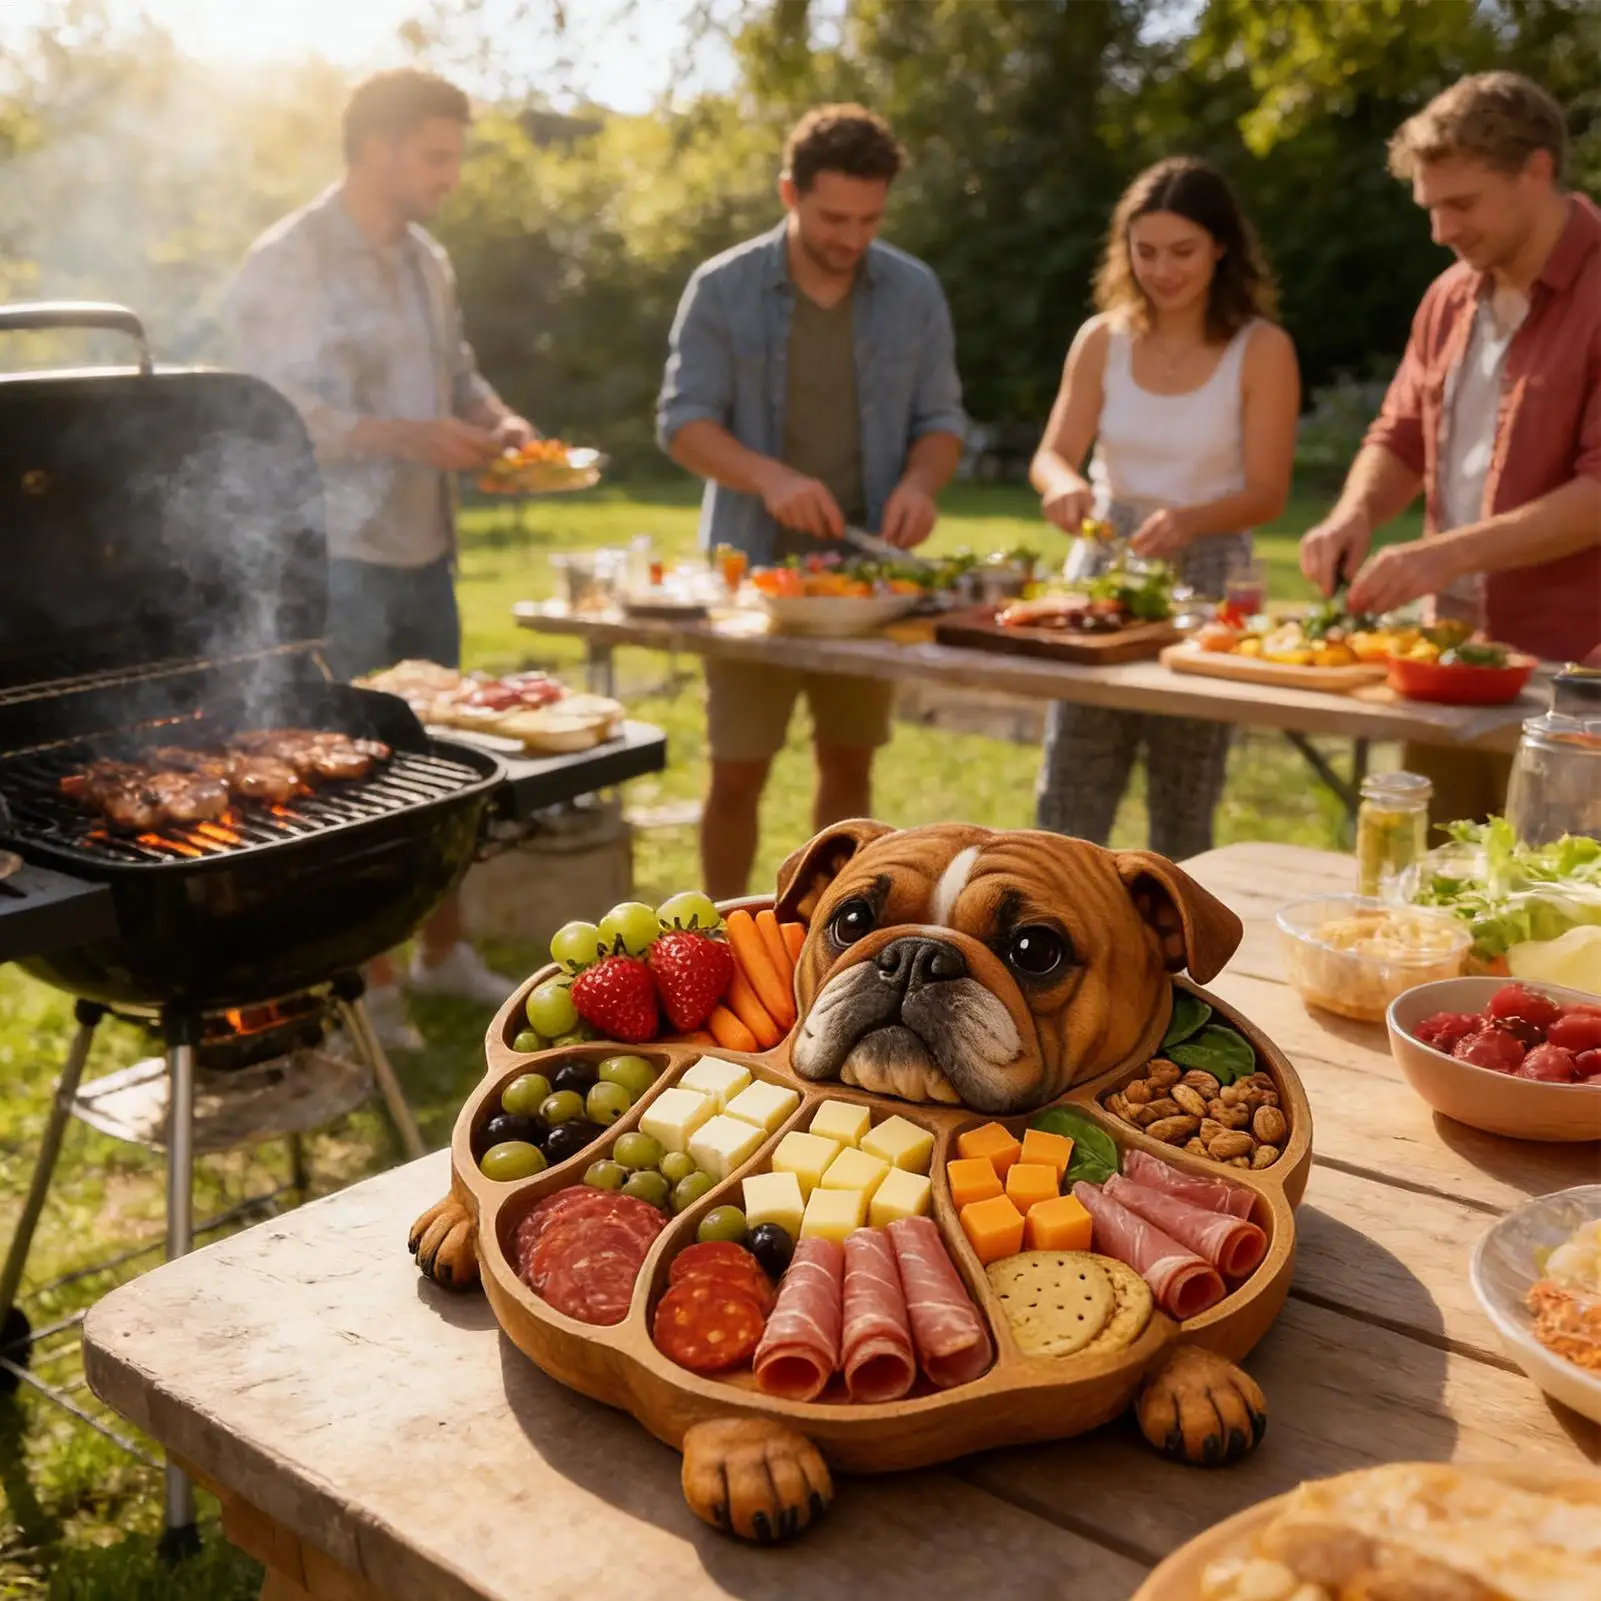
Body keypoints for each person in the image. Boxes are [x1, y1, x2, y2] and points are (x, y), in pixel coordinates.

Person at [226, 69, 536, 1047]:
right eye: (435, 156)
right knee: (358, 774)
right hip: (337, 562)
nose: (450, 176)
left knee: (443, 763)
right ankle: (374, 978)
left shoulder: (425, 258)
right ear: (375, 149)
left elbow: (459, 369)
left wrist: (494, 417)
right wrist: (410, 434)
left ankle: (445, 954)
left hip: (424, 550)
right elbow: (278, 413)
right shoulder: (288, 260)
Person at [656, 104, 966, 900]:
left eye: (870, 218)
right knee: (735, 773)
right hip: (751, 578)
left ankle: (829, 937)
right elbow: (682, 424)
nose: (853, 238)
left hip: (867, 588)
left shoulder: (914, 290)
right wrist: (772, 478)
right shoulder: (721, 289)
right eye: (834, 216)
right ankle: (718, 933)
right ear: (788, 192)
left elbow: (940, 421)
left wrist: (919, 483)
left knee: (849, 767)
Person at [1301, 73, 1601, 825]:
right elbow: (1399, 436)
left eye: (1459, 204)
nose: (1438, 229)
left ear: (1536, 170)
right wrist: (1353, 514)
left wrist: (1442, 555)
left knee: (1556, 913)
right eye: (1429, 206)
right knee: (1431, 894)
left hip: (1577, 672)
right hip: (1453, 659)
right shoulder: (1447, 296)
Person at [1029, 157, 1300, 859]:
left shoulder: (1261, 349)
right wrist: (1061, 483)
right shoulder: (1100, 339)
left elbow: (1269, 491)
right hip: (1102, 569)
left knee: (1184, 798)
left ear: (1219, 246)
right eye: (1144, 251)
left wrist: (1189, 519)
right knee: (1069, 789)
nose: (1162, 269)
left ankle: (1175, 961)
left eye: (1181, 251)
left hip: (1210, 575)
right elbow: (1051, 453)